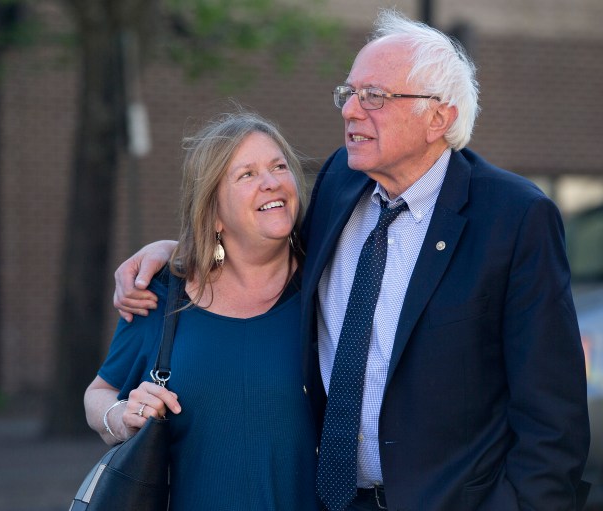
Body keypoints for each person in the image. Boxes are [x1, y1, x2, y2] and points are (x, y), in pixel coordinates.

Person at [111, 9, 591, 511]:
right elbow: (263, 238)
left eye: (375, 98)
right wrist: (176, 251)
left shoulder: (514, 217)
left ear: (439, 117)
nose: (351, 111)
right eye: (349, 93)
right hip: (333, 500)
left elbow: (552, 414)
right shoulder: (343, 180)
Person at [84, 110, 321, 510]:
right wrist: (122, 415)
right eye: (246, 175)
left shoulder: (328, 288)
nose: (271, 182)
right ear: (213, 214)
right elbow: (99, 393)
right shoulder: (161, 295)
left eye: (279, 167)